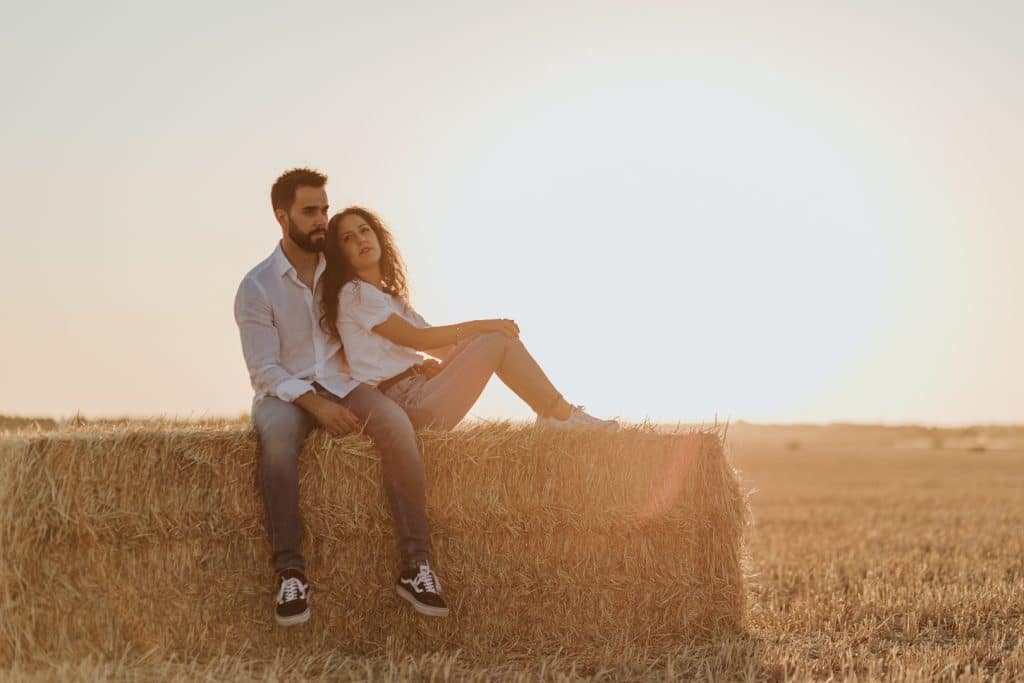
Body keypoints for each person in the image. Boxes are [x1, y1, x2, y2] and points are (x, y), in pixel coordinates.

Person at [234, 170, 449, 627]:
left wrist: (414, 361)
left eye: (324, 210)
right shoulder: (256, 287)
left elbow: (375, 329)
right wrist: (315, 404)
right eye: (310, 211)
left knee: (397, 426)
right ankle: (290, 573)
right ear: (282, 216)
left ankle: (417, 566)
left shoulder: (344, 274)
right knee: (275, 445)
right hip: (285, 393)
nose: (322, 221)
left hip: (346, 383)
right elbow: (263, 370)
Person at [318, 206, 619, 433]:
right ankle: (560, 416)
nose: (360, 239)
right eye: (348, 238)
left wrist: (469, 358)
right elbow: (417, 339)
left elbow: (439, 347)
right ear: (341, 253)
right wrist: (484, 327)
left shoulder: (391, 299)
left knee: (495, 341)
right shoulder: (354, 294)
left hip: (419, 389)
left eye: (364, 230)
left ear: (377, 236)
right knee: (494, 338)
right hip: (403, 405)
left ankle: (555, 414)